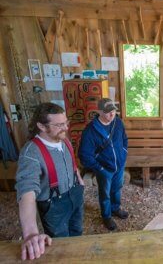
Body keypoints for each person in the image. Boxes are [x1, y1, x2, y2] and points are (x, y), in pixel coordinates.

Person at [15, 103, 84, 261]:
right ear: (41, 126)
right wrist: (31, 233)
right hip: (54, 205)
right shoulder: (30, 153)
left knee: (77, 231)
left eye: (66, 122)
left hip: (75, 193)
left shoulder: (63, 139)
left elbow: (72, 163)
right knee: (60, 244)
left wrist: (79, 179)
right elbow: (27, 191)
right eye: (59, 125)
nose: (65, 128)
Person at [79, 98, 128, 231]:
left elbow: (124, 138)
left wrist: (124, 153)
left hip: (119, 165)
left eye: (113, 110)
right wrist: (99, 168)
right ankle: (106, 216)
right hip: (104, 169)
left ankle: (115, 208)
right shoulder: (90, 130)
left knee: (117, 188)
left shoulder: (117, 122)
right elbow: (84, 155)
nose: (111, 114)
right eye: (107, 112)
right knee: (105, 193)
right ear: (99, 111)